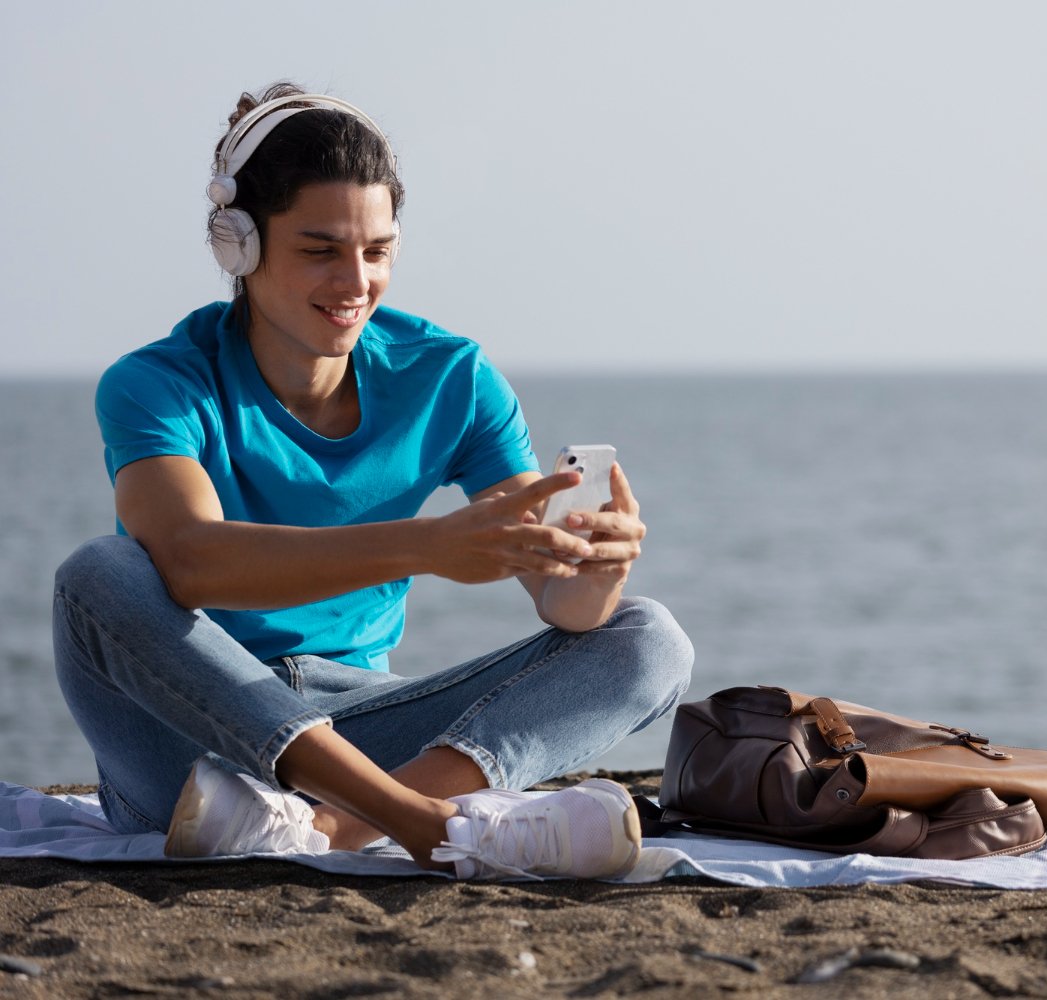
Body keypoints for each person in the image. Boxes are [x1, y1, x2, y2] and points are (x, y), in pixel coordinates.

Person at [51, 83, 693, 879]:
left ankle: (326, 827)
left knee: (650, 639)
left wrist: (594, 571)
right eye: (320, 250)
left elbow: (559, 602)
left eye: (378, 251)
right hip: (189, 749)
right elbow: (188, 559)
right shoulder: (158, 384)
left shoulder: (450, 377)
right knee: (97, 575)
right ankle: (420, 824)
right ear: (238, 246)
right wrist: (427, 546)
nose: (356, 281)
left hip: (360, 725)